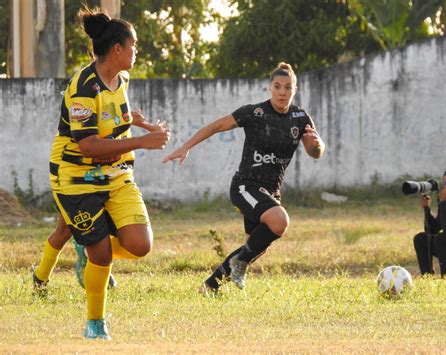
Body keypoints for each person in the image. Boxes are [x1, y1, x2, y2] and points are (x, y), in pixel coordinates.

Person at [40, 7, 170, 340]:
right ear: (117, 49)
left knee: (140, 245)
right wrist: (144, 142)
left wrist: (139, 124)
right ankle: (95, 323)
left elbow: (113, 122)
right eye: (134, 45)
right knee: (101, 253)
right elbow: (87, 145)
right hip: (75, 177)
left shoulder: (120, 79)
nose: (136, 52)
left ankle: (88, 243)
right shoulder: (84, 88)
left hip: (115, 173)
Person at [163, 62, 325, 294]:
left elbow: (315, 151)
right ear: (270, 88)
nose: (282, 92)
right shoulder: (255, 113)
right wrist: (186, 146)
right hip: (245, 186)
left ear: (294, 90)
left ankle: (210, 287)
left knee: (256, 246)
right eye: (277, 86)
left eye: (288, 87)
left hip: (270, 192)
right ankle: (239, 264)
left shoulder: (300, 117)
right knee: (280, 221)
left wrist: (318, 144)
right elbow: (217, 126)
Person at [32, 111, 164, 292]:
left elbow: (115, 113)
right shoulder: (82, 90)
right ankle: (40, 278)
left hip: (112, 172)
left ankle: (90, 254)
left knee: (100, 239)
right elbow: (91, 126)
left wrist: (133, 120)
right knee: (64, 230)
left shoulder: (118, 84)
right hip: (77, 171)